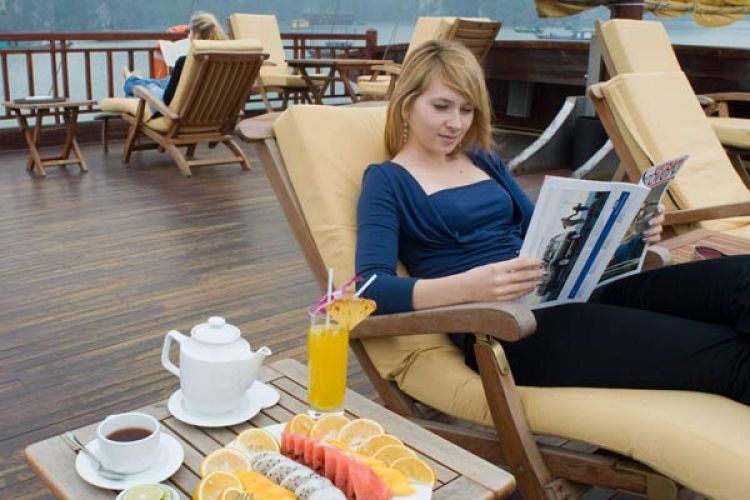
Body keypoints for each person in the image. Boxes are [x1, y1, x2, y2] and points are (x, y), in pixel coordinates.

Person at [355, 39, 750, 404]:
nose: (456, 124)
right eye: (441, 106)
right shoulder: (387, 180)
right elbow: (370, 289)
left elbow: (542, 233)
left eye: (466, 109)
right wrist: (472, 286)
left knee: (742, 278)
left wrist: (629, 230)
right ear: (407, 104)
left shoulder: (482, 160)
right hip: (509, 328)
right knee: (727, 354)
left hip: (564, 292)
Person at [121, 11, 227, 108]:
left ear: (197, 35)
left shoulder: (186, 62)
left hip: (176, 109)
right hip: (214, 109)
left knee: (142, 87)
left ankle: (130, 78)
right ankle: (135, 78)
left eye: (190, 32)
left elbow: (167, 100)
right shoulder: (227, 62)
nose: (188, 36)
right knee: (158, 82)